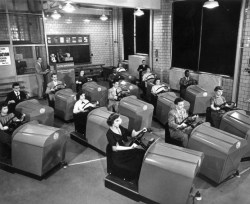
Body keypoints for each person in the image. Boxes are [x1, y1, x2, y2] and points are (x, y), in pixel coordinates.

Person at [106, 113, 147, 181]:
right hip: (118, 156)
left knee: (141, 153)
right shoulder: (109, 134)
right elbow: (115, 148)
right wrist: (130, 148)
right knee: (134, 162)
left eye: (120, 119)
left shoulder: (119, 127)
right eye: (118, 120)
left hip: (124, 149)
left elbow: (132, 134)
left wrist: (142, 130)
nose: (120, 121)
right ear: (113, 123)